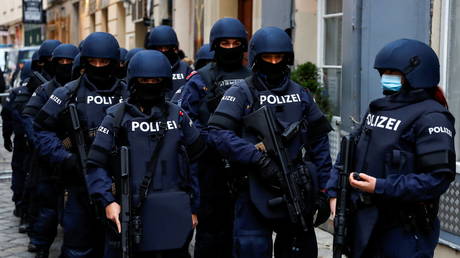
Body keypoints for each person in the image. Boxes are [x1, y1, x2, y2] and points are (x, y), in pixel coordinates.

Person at [207, 26, 332, 258]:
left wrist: (325, 190)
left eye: (279, 57)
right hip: (253, 186)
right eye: (268, 57)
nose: (274, 62)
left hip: (294, 186)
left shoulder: (301, 94)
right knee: (251, 248)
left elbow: (320, 143)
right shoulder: (241, 92)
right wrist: (257, 159)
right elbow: (217, 133)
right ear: (256, 57)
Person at [327, 38, 456, 258]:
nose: (387, 78)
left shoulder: (432, 117)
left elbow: (437, 179)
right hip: (366, 225)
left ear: (417, 74)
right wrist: (334, 194)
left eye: (394, 73)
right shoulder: (378, 109)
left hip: (403, 230)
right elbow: (347, 153)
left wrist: (380, 186)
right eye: (384, 72)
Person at [85, 50, 205, 257]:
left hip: (173, 210)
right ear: (133, 81)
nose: (150, 84)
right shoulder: (116, 117)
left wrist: (194, 208)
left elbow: (196, 162)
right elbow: (96, 164)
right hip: (130, 211)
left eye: (155, 80)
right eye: (144, 79)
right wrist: (107, 201)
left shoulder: (178, 115)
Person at [33, 32, 129, 257]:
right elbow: (41, 129)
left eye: (103, 62)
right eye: (92, 62)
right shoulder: (67, 93)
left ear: (113, 63)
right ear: (84, 62)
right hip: (79, 183)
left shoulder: (127, 93)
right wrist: (65, 158)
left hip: (120, 183)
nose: (98, 66)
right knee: (78, 248)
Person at [179, 17, 253, 258]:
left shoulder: (253, 76)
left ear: (243, 45)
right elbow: (186, 119)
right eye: (225, 43)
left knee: (245, 237)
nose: (230, 48)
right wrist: (208, 142)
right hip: (210, 168)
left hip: (247, 167)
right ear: (215, 45)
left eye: (235, 43)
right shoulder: (199, 78)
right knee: (211, 238)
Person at [22, 43, 79, 258]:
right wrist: (48, 147)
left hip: (74, 158)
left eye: (69, 62)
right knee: (46, 207)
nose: (65, 66)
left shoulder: (80, 90)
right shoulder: (44, 89)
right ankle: (40, 245)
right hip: (48, 159)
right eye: (60, 62)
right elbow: (31, 120)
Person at [1, 60, 34, 233]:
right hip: (31, 143)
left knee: (20, 175)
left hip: (22, 142)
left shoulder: (16, 93)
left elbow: (6, 116)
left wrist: (7, 137)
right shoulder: (41, 91)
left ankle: (22, 209)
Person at [145, 25, 193, 100]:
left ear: (173, 48)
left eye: (166, 47)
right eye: (159, 48)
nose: (163, 51)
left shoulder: (185, 69)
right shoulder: (145, 68)